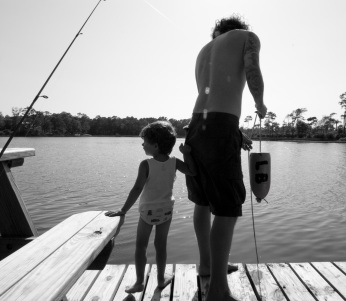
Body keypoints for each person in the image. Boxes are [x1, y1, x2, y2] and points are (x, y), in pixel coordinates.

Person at [185, 15, 267, 301]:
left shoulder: (204, 51)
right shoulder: (246, 37)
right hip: (220, 126)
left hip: (196, 126)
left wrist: (236, 132)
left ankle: (207, 265)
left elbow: (212, 96)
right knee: (228, 207)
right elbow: (251, 69)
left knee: (204, 199)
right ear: (238, 27)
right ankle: (218, 290)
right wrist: (259, 102)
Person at [105, 121, 197, 293]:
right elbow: (193, 171)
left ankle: (139, 282)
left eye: (145, 142)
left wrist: (123, 210)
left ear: (155, 145)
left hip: (147, 211)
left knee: (141, 245)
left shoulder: (146, 164)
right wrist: (186, 154)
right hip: (166, 210)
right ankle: (161, 280)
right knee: (160, 245)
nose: (142, 144)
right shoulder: (175, 162)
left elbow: (137, 189)